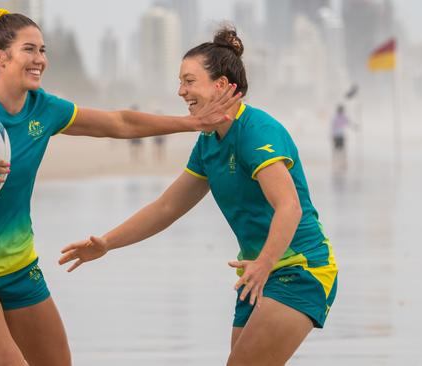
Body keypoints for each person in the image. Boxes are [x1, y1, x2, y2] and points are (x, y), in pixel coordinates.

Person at [0, 9, 240, 366]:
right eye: (29, 50)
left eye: (43, 51)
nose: (40, 60)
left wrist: (192, 123)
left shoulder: (44, 109)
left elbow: (119, 123)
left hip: (20, 269)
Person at [59, 25, 338, 366]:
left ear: (221, 85)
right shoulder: (208, 142)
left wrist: (265, 264)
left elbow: (289, 207)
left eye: (189, 81)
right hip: (257, 272)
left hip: (302, 268)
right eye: (180, 82)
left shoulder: (256, 131)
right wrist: (106, 243)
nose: (181, 91)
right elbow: (166, 207)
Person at [331, 104, 351, 170]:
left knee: (339, 150)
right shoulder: (338, 117)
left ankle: (339, 162)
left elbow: (348, 123)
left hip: (338, 135)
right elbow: (349, 123)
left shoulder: (337, 117)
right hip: (338, 135)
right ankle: (339, 163)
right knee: (340, 150)